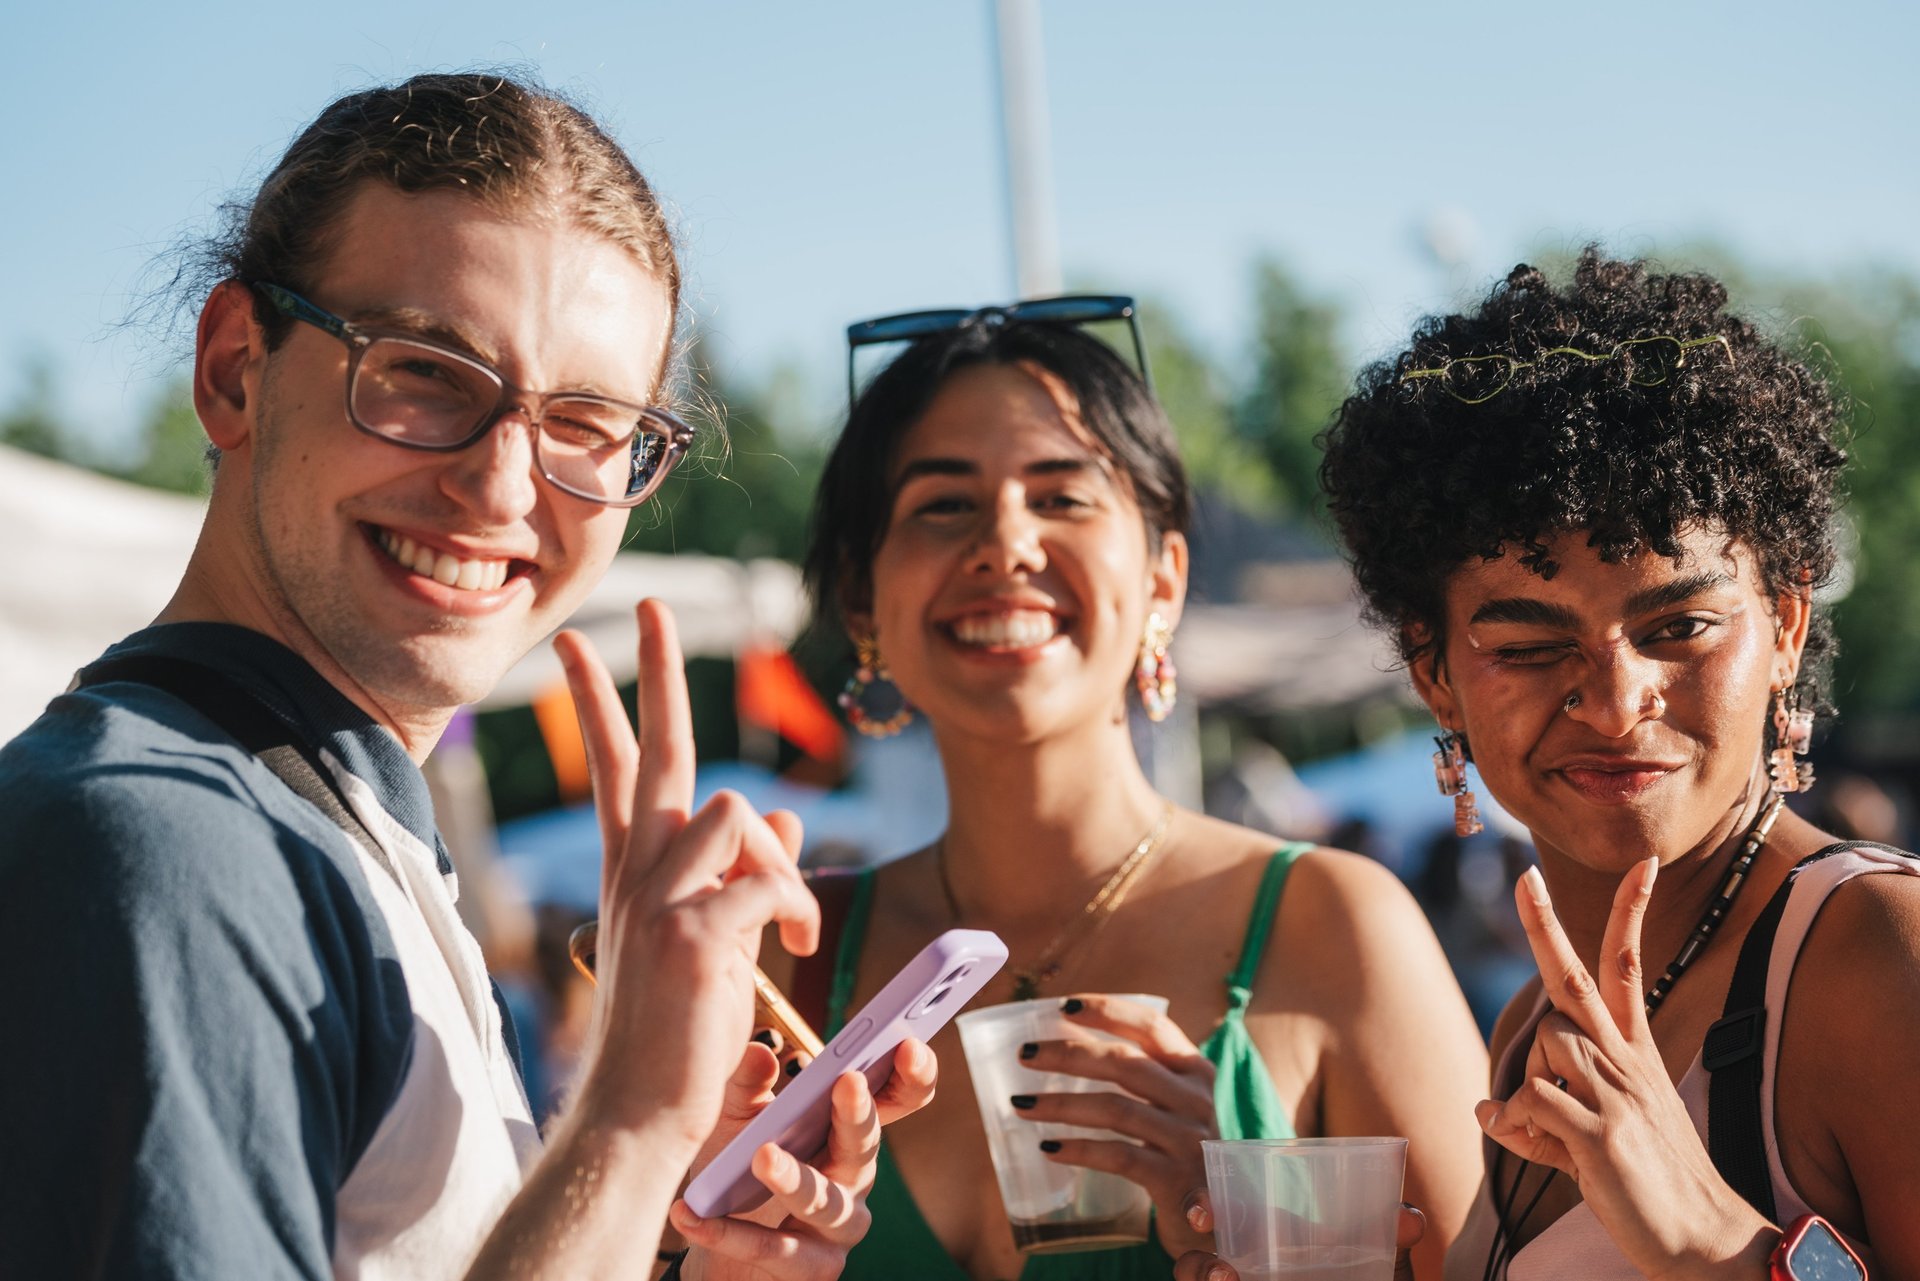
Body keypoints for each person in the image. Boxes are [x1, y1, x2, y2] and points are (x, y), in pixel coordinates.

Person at [0, 73, 934, 1280]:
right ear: (237, 368)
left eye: (588, 424)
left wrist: (661, 1228)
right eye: (424, 371)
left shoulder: (328, 821)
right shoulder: (167, 847)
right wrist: (631, 1120)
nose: (501, 488)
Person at [767, 301, 1488, 1281]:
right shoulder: (789, 962)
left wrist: (1258, 1226)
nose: (1004, 545)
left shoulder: (1335, 928)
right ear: (861, 596)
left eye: (1062, 497)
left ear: (1163, 579)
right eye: (943, 504)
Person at [1275, 249, 1914, 1278]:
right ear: (1434, 672)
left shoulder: (1876, 955)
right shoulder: (1531, 1029)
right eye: (1529, 648)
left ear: (1787, 626)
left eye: (1683, 627)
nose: (1617, 706)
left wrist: (1713, 1244)